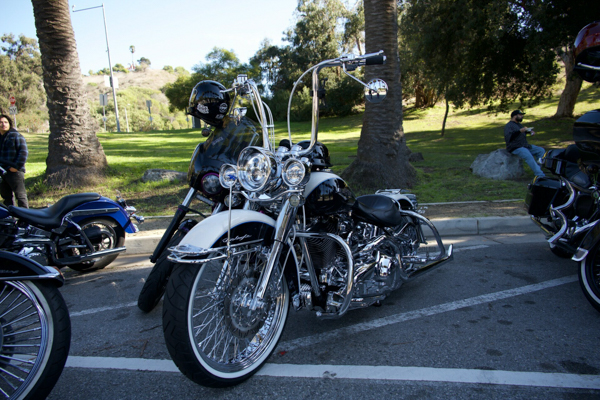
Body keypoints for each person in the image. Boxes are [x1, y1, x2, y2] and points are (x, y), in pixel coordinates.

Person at [504, 109, 545, 178]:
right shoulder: (509, 126)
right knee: (529, 156)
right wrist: (519, 131)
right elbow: (509, 137)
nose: (522, 116)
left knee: (541, 150)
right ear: (515, 116)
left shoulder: (519, 125)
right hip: (515, 147)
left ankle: (538, 169)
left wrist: (529, 131)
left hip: (524, 145)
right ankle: (540, 175)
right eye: (520, 115)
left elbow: (522, 132)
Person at [0, 114, 28, 208]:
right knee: (6, 198)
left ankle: (25, 219)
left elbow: (23, 152)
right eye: (1, 122)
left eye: (5, 122)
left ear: (9, 124)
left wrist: (16, 167)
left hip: (14, 172)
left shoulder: (16, 136)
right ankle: (11, 219)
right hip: (2, 172)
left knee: (20, 196)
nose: (3, 124)